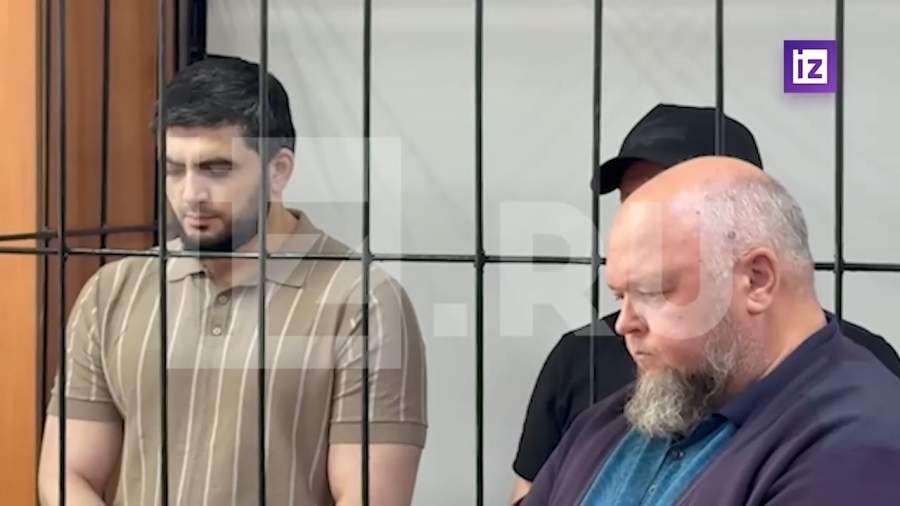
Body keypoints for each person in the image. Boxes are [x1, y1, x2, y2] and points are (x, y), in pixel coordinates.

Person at [37, 56, 428, 506]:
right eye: (174, 169)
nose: (190, 194)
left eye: (216, 168)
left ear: (278, 171)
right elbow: (67, 476)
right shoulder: (112, 291)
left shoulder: (365, 303)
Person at [510, 104, 900, 504]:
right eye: (620, 296)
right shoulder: (615, 419)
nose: (624, 323)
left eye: (654, 291)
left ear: (756, 280)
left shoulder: (857, 442)